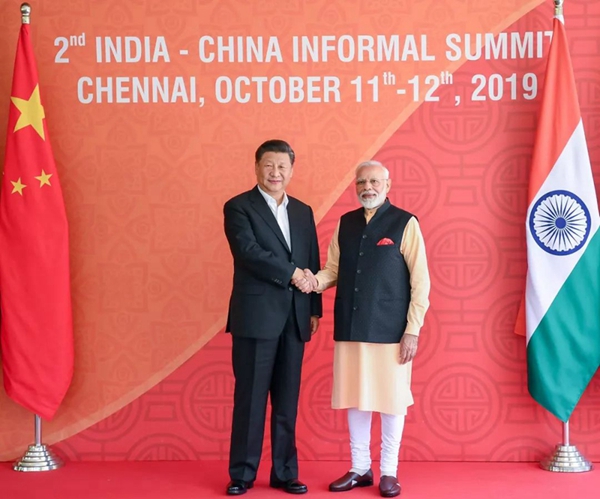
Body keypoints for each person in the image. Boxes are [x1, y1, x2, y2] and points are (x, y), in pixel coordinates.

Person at [294, 160, 430, 498]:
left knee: (391, 401)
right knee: (356, 397)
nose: (367, 188)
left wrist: (412, 329)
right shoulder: (346, 223)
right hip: (351, 325)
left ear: (387, 184)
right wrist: (313, 281)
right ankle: (359, 467)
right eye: (361, 183)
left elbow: (421, 282)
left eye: (374, 182)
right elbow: (333, 270)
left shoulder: (405, 223)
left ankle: (389, 471)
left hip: (391, 330)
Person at [223, 139, 322, 496]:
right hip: (255, 317)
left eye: (282, 166)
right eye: (268, 165)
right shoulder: (239, 207)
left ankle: (285, 472)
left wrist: (314, 308)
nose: (275, 172)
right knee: (250, 400)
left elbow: (312, 257)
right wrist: (293, 274)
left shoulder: (303, 211)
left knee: (287, 401)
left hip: (295, 318)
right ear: (256, 168)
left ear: (292, 170)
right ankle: (242, 474)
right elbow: (248, 253)